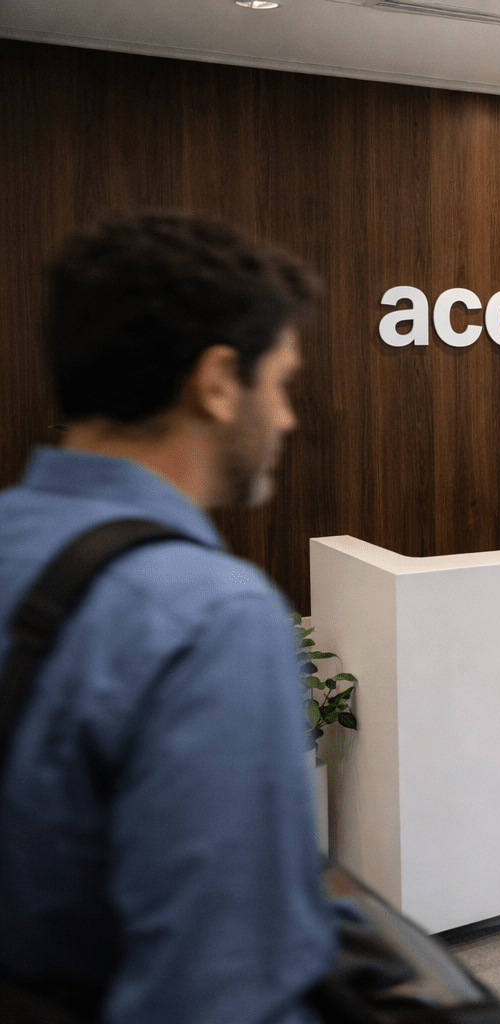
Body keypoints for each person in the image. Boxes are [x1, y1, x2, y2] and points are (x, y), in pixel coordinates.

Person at [0, 213, 335, 1021]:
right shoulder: (212, 616)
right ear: (218, 382)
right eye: (281, 382)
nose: (286, 418)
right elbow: (221, 991)